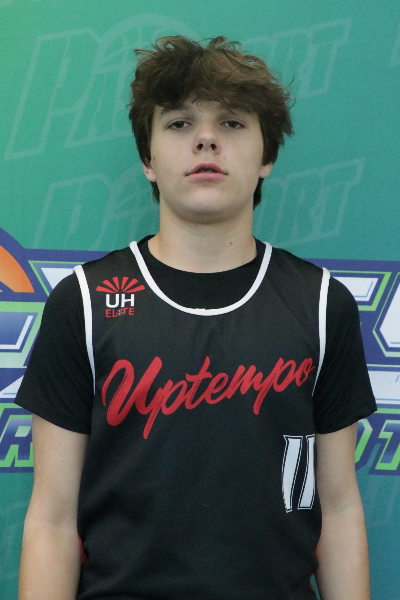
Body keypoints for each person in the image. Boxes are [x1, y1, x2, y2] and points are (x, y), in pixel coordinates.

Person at [16, 36, 376, 600]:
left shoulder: (322, 305)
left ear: (266, 156)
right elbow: (52, 519)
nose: (206, 138)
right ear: (148, 160)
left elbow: (338, 507)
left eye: (232, 123)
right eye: (179, 124)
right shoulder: (83, 302)